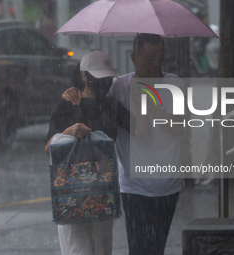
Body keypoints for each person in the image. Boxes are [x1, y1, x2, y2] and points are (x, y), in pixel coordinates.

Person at [63, 33, 185, 255]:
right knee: (138, 247)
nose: (156, 65)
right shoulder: (119, 85)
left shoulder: (172, 82)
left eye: (160, 58)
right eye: (149, 58)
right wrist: (74, 93)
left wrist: (149, 100)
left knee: (156, 247)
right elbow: (94, 102)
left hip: (168, 184)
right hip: (134, 185)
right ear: (134, 58)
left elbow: (176, 127)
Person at [45, 50, 133, 255]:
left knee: (102, 249)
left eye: (108, 78)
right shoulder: (67, 104)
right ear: (84, 75)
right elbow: (48, 148)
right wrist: (68, 132)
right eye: (98, 77)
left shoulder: (112, 106)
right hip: (72, 195)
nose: (104, 82)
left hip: (102, 195)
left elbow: (142, 128)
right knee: (77, 249)